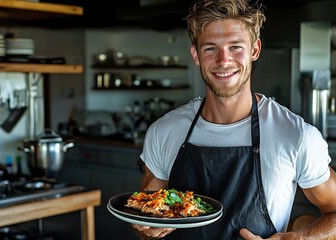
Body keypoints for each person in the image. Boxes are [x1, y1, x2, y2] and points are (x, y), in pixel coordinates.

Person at [132, 0, 336, 239]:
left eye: (235, 47)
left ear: (255, 50)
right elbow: (143, 222)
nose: (223, 60)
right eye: (210, 49)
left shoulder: (295, 136)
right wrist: (149, 230)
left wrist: (299, 238)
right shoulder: (164, 131)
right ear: (196, 55)